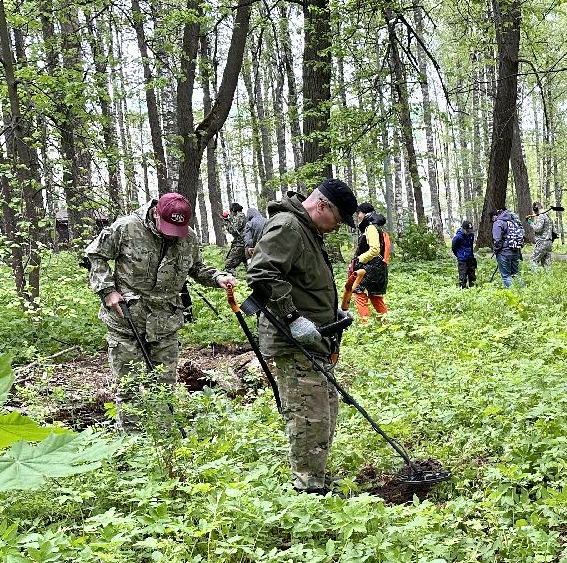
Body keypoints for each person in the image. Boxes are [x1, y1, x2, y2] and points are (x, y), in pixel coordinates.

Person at [83, 193, 237, 424]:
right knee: (130, 387)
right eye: (167, 227)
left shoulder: (188, 237)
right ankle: (133, 440)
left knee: (164, 387)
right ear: (156, 212)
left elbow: (196, 267)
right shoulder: (126, 228)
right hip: (127, 320)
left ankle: (164, 435)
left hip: (165, 321)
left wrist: (217, 277)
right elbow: (94, 254)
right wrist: (107, 291)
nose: (171, 234)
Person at [247, 178, 358, 494]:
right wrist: (293, 318)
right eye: (337, 219)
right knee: (309, 414)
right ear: (322, 205)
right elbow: (261, 274)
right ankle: (308, 487)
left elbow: (305, 281)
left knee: (326, 409)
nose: (337, 227)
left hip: (316, 338)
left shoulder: (308, 229)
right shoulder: (288, 227)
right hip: (293, 340)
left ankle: (315, 475)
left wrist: (332, 313)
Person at [348, 202, 392, 321]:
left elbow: (374, 250)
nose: (358, 216)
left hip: (369, 268)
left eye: (359, 213)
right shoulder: (376, 227)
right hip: (376, 268)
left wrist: (359, 259)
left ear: (363, 213)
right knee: (375, 296)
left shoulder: (371, 227)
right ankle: (386, 324)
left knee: (360, 295)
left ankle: (365, 324)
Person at [491, 206, 524, 288]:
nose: (493, 220)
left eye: (492, 218)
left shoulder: (498, 223)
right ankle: (523, 291)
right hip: (516, 251)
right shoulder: (513, 221)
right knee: (516, 274)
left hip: (504, 253)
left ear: (495, 215)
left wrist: (496, 250)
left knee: (506, 276)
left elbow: (497, 239)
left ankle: (512, 293)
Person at [527, 202, 558, 268]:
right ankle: (548, 275)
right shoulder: (548, 217)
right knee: (546, 264)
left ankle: (534, 274)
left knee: (533, 260)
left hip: (542, 242)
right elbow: (554, 231)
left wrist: (530, 222)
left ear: (535, 209)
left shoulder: (541, 216)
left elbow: (537, 229)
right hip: (549, 243)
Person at [451, 219, 477, 288]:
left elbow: (471, 246)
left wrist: (471, 255)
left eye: (470, 230)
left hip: (470, 258)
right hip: (462, 259)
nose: (469, 232)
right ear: (463, 229)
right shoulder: (458, 237)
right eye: (467, 231)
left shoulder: (471, 235)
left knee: (472, 275)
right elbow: (454, 248)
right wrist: (460, 255)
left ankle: (473, 288)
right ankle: (462, 288)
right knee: (463, 276)